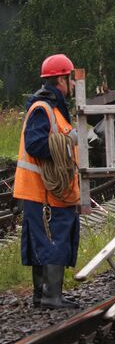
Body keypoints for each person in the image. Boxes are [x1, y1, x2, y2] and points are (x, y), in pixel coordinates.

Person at [15, 54, 81, 309]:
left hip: (47, 193)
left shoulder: (53, 109)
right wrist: (68, 144)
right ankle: (50, 296)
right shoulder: (42, 109)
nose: (73, 84)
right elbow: (36, 145)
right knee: (53, 239)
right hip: (43, 192)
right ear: (60, 80)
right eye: (70, 78)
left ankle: (44, 295)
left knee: (46, 240)